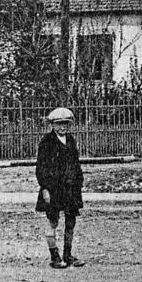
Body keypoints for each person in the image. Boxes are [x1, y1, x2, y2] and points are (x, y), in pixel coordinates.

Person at [35, 106, 85, 269]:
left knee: (71, 221)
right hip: (53, 188)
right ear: (53, 125)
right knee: (53, 221)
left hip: (70, 188)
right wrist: (45, 189)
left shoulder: (71, 140)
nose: (63, 127)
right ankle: (54, 256)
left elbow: (76, 164)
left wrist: (78, 182)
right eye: (59, 124)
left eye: (66, 123)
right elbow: (41, 168)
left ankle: (67, 254)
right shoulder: (46, 142)